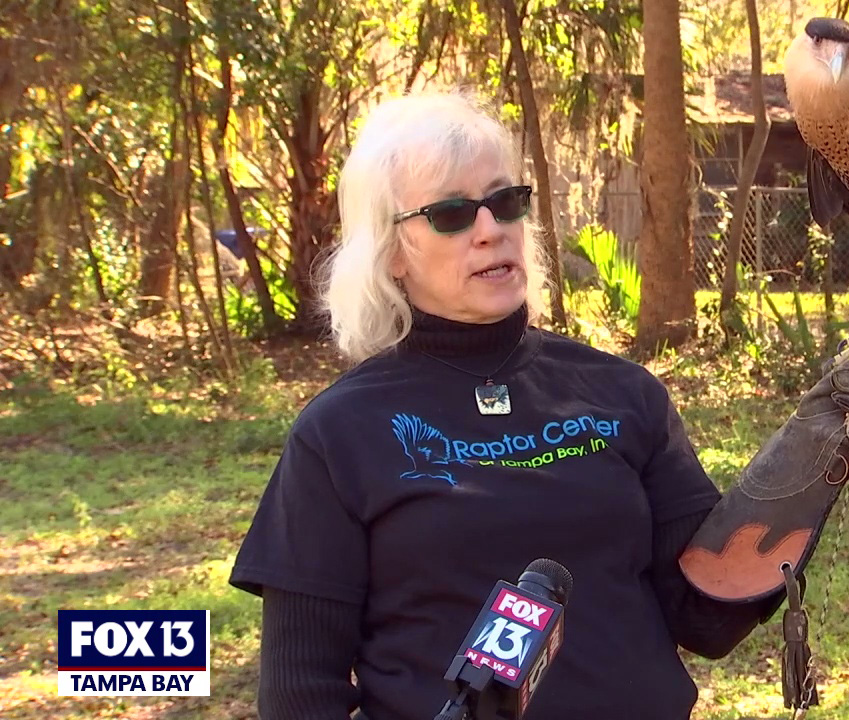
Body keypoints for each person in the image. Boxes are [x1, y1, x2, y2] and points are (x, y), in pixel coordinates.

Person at [228, 91, 788, 720]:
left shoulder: (625, 394)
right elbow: (301, 694)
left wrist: (810, 468)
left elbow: (707, 618)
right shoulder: (338, 433)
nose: (490, 229)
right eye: (451, 213)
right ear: (390, 251)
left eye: (504, 202)